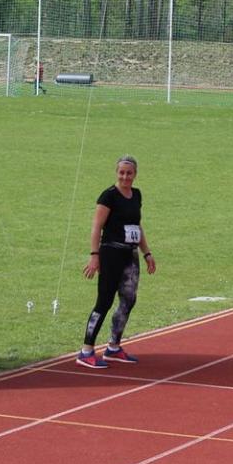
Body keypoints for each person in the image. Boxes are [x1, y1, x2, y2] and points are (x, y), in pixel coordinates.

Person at [76, 155, 156, 368]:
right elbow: (96, 227)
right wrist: (94, 256)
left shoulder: (136, 195)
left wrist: (147, 253)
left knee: (129, 299)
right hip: (111, 254)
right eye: (121, 172)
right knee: (104, 301)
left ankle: (113, 347)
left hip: (130, 255)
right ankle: (86, 351)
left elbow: (137, 226)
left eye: (129, 173)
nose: (125, 177)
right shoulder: (108, 196)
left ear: (135, 174)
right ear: (116, 173)